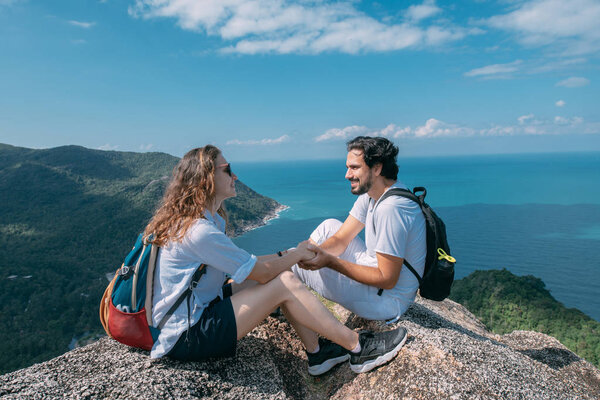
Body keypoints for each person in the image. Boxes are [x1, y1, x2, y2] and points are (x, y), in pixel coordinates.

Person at [144, 145, 407, 375]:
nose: (235, 176)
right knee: (282, 283)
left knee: (283, 274)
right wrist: (297, 254)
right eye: (227, 169)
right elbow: (258, 272)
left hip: (200, 308)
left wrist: (289, 254)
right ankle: (358, 347)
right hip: (188, 335)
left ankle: (318, 354)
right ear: (206, 180)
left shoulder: (205, 220)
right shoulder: (198, 231)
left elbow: (247, 264)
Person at [293, 136, 426, 324]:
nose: (347, 175)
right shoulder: (374, 195)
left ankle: (271, 296)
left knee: (291, 265)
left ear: (377, 168)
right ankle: (294, 262)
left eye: (354, 167)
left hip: (387, 301)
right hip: (376, 278)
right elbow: (340, 239)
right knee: (328, 226)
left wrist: (329, 262)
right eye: (348, 167)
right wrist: (314, 253)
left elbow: (387, 279)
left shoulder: (392, 208)